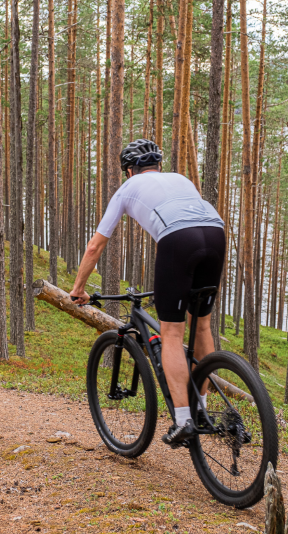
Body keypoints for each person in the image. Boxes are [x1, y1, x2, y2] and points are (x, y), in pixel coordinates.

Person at [69, 139, 225, 446]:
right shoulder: (181, 179)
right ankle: (202, 407)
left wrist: (78, 289)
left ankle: (183, 421)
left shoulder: (127, 189)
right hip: (216, 234)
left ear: (129, 170)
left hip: (179, 241)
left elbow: (95, 245)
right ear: (157, 166)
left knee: (171, 333)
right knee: (201, 323)